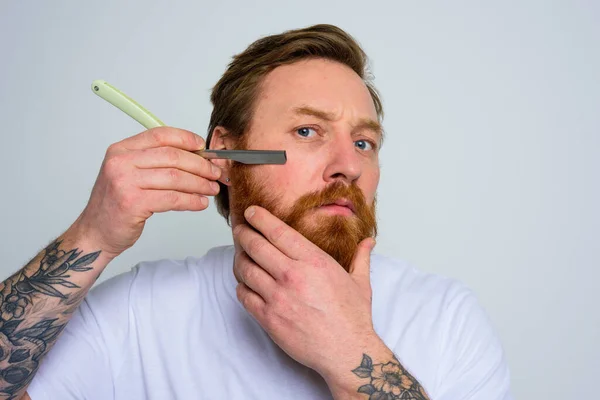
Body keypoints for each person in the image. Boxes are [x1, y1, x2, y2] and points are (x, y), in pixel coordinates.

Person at [0, 24, 512, 399]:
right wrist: (93, 235)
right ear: (224, 152)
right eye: (307, 132)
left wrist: (350, 351)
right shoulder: (138, 312)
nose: (347, 166)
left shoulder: (448, 318)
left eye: (364, 142)